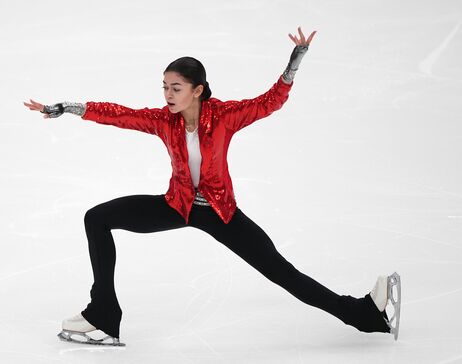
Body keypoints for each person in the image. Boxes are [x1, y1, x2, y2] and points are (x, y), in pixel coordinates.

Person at [24, 27, 401, 347]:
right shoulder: (163, 121)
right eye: (164, 87)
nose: (167, 95)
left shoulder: (224, 116)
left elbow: (268, 103)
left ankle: (366, 314)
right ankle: (104, 314)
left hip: (219, 213)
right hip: (177, 206)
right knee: (98, 217)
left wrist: (294, 63)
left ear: (198, 90)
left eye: (175, 88)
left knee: (282, 273)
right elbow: (119, 114)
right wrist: (67, 107)